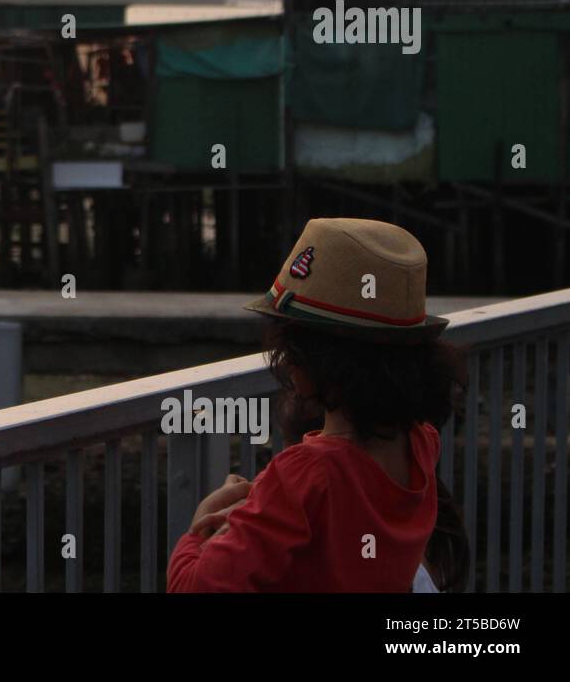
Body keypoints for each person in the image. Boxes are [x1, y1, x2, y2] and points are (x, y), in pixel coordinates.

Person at [166, 217, 464, 592]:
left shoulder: (302, 474)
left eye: (290, 348)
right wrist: (263, 501)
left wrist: (200, 530)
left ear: (313, 362)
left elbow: (195, 588)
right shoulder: (422, 443)